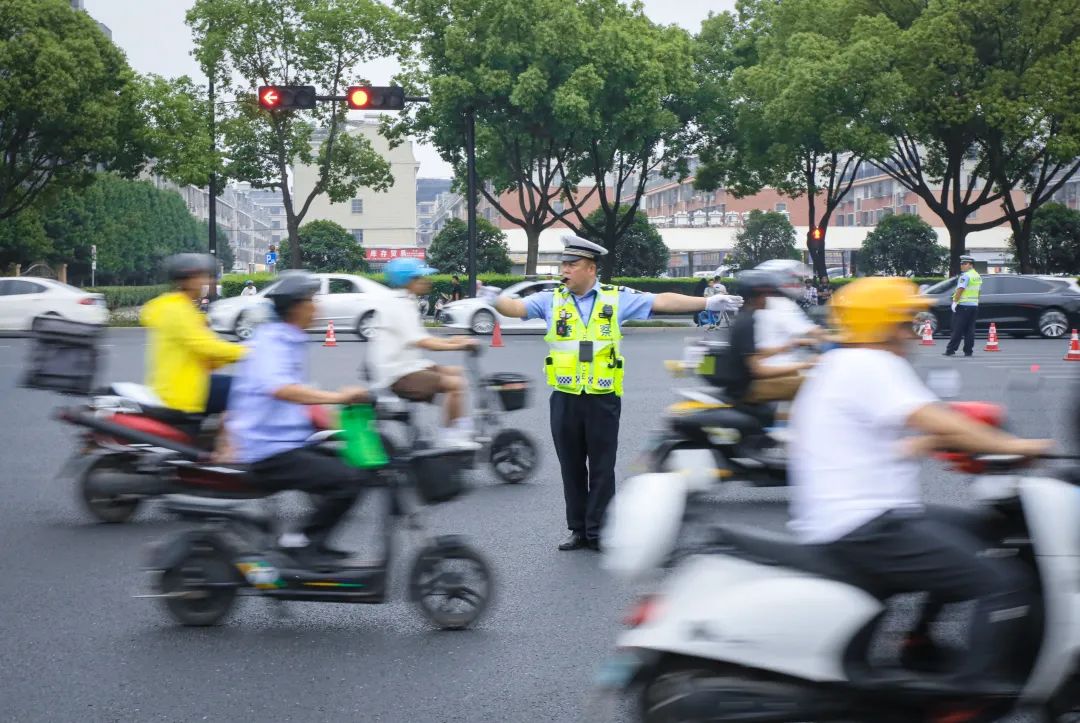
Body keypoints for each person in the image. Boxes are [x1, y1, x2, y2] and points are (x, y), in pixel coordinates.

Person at [789, 277, 1053, 690]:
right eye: (907, 322)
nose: (913, 331)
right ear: (883, 326)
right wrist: (1021, 445)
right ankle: (971, 695)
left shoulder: (843, 362)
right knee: (1005, 585)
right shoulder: (872, 364)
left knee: (986, 532)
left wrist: (928, 444)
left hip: (866, 515)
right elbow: (934, 417)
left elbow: (897, 432)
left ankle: (918, 641)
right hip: (864, 527)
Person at [484, 233, 743, 551]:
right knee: (572, 466)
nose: (564, 269)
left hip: (602, 396)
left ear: (590, 268)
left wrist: (706, 302)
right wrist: (494, 299)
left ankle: (599, 532)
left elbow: (660, 301)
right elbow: (514, 307)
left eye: (571, 264)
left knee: (602, 467)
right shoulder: (551, 300)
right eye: (562, 263)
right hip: (564, 397)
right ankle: (578, 529)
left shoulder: (614, 298)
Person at [227, 271, 373, 567]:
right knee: (347, 481)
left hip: (287, 441)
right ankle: (302, 543)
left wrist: (336, 421)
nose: (316, 306)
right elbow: (282, 389)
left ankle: (313, 542)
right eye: (311, 300)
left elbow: (295, 398)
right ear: (296, 307)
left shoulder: (288, 338)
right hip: (270, 450)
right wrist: (338, 398)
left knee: (352, 468)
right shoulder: (272, 342)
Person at [368, 257, 479, 448]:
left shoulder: (406, 301)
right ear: (409, 281)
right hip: (397, 374)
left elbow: (421, 336)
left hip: (408, 366)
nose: (427, 281)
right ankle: (452, 438)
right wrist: (459, 345)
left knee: (456, 372)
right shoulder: (398, 305)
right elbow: (423, 342)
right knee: (454, 384)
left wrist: (456, 340)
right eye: (421, 277)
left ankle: (459, 426)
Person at [141, 253, 246, 415]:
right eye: (203, 276)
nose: (209, 281)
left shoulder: (187, 309)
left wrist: (231, 355)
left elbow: (209, 358)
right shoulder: (177, 310)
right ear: (188, 280)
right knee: (250, 392)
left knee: (243, 387)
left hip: (192, 383)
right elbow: (205, 346)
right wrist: (250, 352)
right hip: (181, 393)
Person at [724, 270, 816, 404]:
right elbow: (759, 370)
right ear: (758, 296)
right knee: (812, 385)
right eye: (766, 295)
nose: (768, 299)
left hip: (747, 384)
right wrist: (805, 364)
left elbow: (754, 353)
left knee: (795, 376)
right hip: (749, 389)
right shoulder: (747, 322)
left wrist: (788, 346)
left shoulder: (746, 317)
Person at [944, 254, 981, 357]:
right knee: (970, 330)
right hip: (973, 306)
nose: (962, 266)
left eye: (964, 264)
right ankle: (968, 351)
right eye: (962, 264)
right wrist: (976, 302)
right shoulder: (977, 276)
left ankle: (950, 349)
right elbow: (978, 291)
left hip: (963, 305)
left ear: (970, 265)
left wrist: (955, 302)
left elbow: (960, 289)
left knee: (957, 328)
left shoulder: (965, 276)